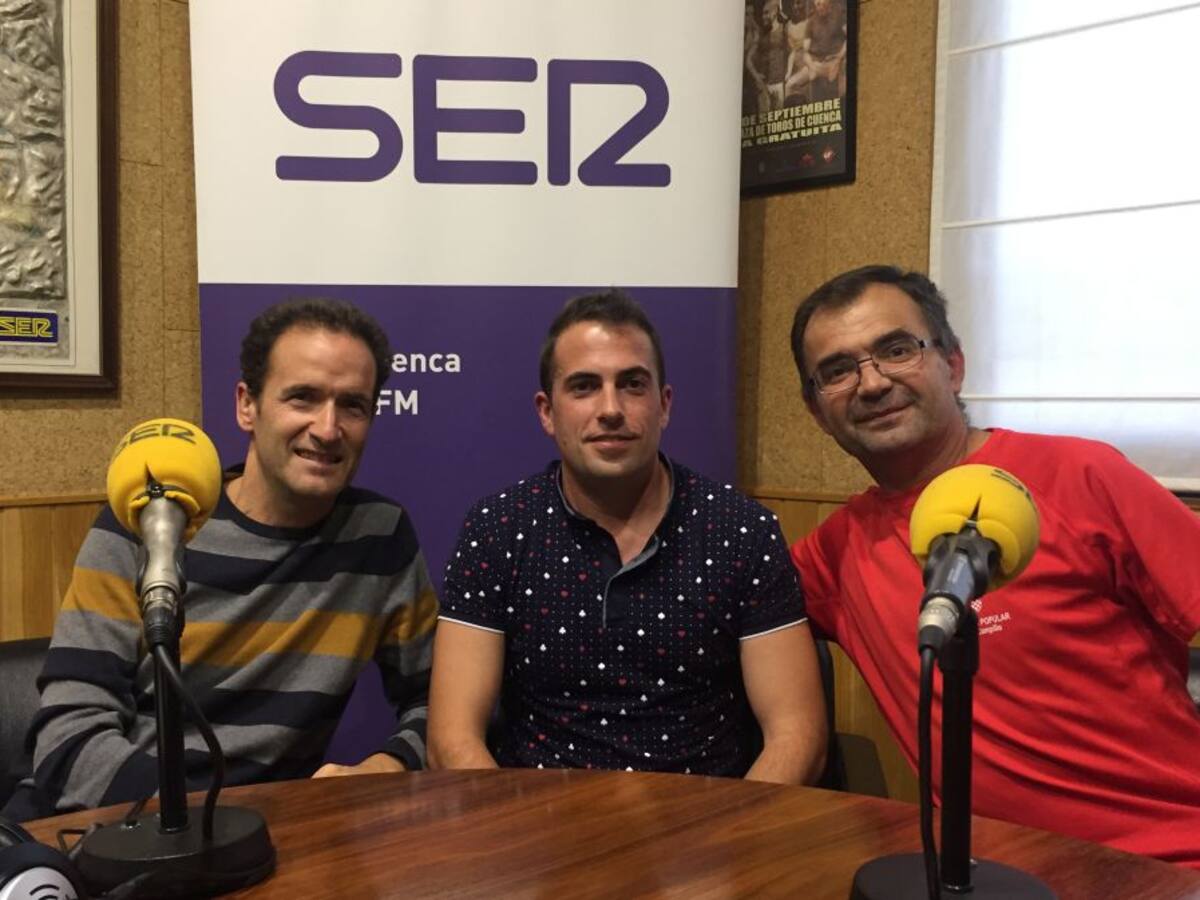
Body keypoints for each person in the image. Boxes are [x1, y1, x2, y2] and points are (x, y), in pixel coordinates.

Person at [788, 265, 1200, 868]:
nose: (871, 383)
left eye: (897, 350)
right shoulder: (835, 554)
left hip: (1173, 863)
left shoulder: (1083, 477)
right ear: (817, 411)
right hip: (987, 877)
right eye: (837, 371)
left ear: (953, 364)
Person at [3, 298, 438, 820]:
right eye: (302, 397)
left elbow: (440, 702)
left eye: (353, 406)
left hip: (265, 837)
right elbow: (68, 741)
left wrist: (391, 765)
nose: (327, 428)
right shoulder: (148, 521)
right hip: (102, 827)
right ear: (246, 405)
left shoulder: (380, 536)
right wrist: (214, 820)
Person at [427, 290, 826, 783]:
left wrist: (739, 830)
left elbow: (797, 735)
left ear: (664, 405)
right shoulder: (496, 530)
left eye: (632, 385)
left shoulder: (743, 531)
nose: (611, 409)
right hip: (536, 820)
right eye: (584, 387)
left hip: (709, 819)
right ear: (547, 412)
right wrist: (508, 829)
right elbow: (451, 739)